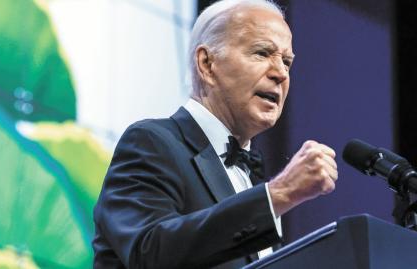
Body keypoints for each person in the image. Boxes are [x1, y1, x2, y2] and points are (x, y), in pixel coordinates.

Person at [92, 0, 338, 268]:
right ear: (207, 64)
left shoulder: (251, 180)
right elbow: (148, 253)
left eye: (287, 62)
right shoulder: (151, 142)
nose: (280, 73)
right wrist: (281, 193)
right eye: (262, 53)